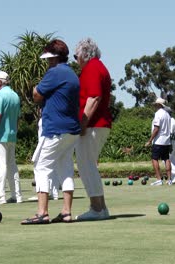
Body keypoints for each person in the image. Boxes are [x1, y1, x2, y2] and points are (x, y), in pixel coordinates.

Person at [21, 39, 80, 224]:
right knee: (66, 168)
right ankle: (66, 212)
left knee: (41, 167)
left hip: (55, 129)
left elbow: (37, 95)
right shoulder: (71, 73)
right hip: (71, 130)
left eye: (48, 58)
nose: (47, 62)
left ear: (54, 57)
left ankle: (42, 213)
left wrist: (34, 87)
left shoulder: (54, 73)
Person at [74, 38, 112, 221]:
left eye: (76, 56)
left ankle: (97, 208)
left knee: (86, 165)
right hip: (98, 123)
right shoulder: (98, 67)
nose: (76, 60)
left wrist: (83, 122)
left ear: (85, 54)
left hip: (93, 124)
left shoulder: (92, 68)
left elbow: (94, 97)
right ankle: (100, 207)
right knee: (87, 164)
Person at [0, 71, 23, 204]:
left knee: (0, 165)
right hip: (12, 135)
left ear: (0, 82)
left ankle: (0, 195)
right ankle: (16, 195)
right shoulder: (15, 96)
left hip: (1, 136)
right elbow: (18, 118)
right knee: (12, 165)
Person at [145, 98, 172, 186]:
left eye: (156, 104)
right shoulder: (167, 114)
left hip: (158, 141)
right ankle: (169, 180)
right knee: (166, 159)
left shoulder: (158, 114)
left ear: (159, 105)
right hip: (166, 141)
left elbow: (156, 129)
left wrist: (150, 140)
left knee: (154, 159)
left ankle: (159, 179)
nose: (154, 106)